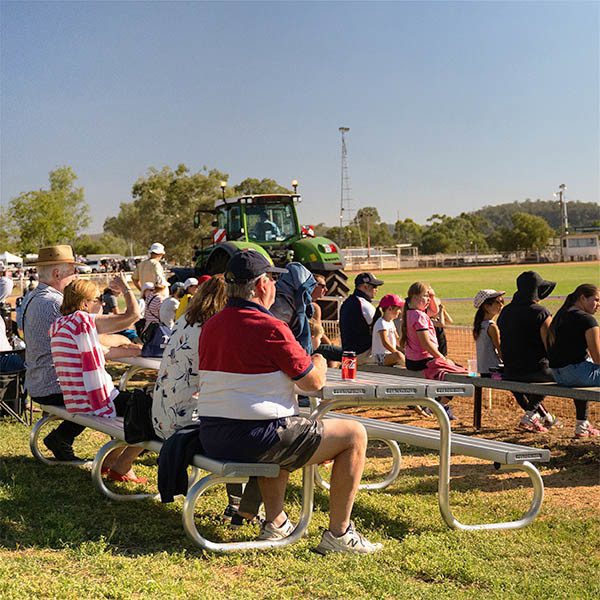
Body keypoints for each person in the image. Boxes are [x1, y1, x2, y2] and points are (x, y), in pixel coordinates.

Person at [197, 249, 382, 554]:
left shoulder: (212, 325)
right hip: (255, 438)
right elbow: (313, 383)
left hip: (214, 435)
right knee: (354, 434)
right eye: (271, 279)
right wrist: (320, 359)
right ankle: (339, 534)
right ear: (260, 286)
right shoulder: (270, 327)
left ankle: (276, 522)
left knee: (283, 429)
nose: (274, 286)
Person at [49, 276, 147, 483]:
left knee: (140, 406)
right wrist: (126, 288)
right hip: (96, 399)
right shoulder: (82, 320)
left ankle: (110, 462)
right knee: (153, 411)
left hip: (77, 399)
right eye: (98, 299)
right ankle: (121, 465)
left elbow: (102, 352)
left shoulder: (61, 325)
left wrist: (136, 350)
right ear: (85, 303)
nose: (102, 303)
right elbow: (134, 315)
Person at [17, 245, 87, 460]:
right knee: (107, 397)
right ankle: (116, 460)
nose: (75, 277)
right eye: (72, 271)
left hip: (36, 381)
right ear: (58, 274)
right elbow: (83, 339)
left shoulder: (31, 297)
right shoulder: (55, 302)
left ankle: (62, 438)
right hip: (53, 385)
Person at [497, 271, 558, 433]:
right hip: (536, 371)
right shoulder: (541, 312)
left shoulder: (505, 312)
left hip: (510, 371)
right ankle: (530, 415)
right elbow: (551, 347)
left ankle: (540, 416)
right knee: (560, 375)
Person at [547, 284, 600, 438]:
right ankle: (582, 424)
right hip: (576, 373)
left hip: (558, 374)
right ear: (582, 297)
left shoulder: (561, 314)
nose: (598, 304)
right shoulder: (588, 320)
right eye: (595, 300)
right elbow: (598, 358)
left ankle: (582, 424)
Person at [399, 282, 457, 420]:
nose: (429, 300)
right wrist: (442, 358)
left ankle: (434, 405)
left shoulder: (410, 312)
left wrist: (431, 294)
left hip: (413, 361)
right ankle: (438, 406)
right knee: (456, 374)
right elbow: (425, 344)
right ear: (416, 297)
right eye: (426, 296)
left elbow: (434, 310)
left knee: (450, 371)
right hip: (423, 360)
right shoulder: (419, 316)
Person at [340, 272, 384, 365]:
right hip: (362, 355)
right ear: (365, 287)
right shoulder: (364, 305)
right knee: (397, 356)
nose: (376, 290)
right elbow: (379, 329)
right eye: (374, 287)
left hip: (349, 352)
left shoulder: (348, 302)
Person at [310, 274, 342, 364]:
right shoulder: (313, 307)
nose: (326, 290)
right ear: (312, 286)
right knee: (346, 354)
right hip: (308, 347)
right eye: (323, 286)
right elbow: (319, 332)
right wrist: (330, 345)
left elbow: (320, 332)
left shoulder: (314, 307)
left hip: (313, 344)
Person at [472, 289, 505, 376]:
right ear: (486, 306)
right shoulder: (491, 326)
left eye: (502, 301)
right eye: (497, 302)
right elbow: (500, 350)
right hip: (495, 369)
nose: (501, 305)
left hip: (483, 369)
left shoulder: (480, 325)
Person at [371, 294, 406, 367]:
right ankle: (409, 368)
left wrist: (404, 349)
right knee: (398, 355)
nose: (400, 311)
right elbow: (385, 342)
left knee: (403, 354)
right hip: (380, 357)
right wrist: (396, 352)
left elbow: (397, 339)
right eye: (398, 309)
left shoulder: (390, 322)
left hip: (389, 355)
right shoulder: (381, 323)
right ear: (390, 309)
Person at [427, 288, 453, 357]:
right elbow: (441, 324)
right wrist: (441, 311)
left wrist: (444, 311)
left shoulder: (438, 318)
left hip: (441, 342)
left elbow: (450, 321)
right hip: (435, 343)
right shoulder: (428, 319)